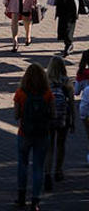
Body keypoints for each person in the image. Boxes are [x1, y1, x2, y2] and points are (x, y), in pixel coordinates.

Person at [13, 63, 55, 211]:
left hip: (24, 133)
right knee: (38, 167)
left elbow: (16, 115)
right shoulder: (47, 93)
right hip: (42, 134)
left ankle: (21, 197)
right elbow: (52, 114)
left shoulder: (20, 93)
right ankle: (35, 201)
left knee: (22, 164)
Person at [43, 56, 74, 192]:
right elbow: (71, 103)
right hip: (63, 117)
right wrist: (72, 120)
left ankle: (47, 173)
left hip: (48, 117)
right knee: (61, 144)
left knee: (49, 147)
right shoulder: (66, 82)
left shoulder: (46, 81)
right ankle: (58, 171)